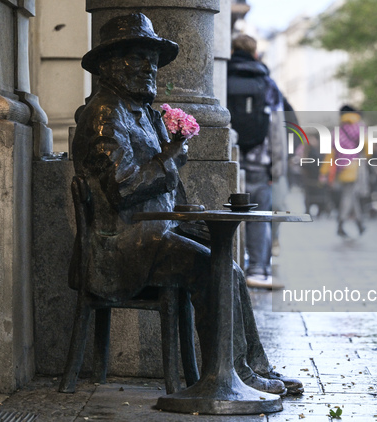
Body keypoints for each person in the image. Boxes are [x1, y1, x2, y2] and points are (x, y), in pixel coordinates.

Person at [72, 13, 302, 394]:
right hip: (119, 248)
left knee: (228, 263)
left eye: (152, 58)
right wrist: (170, 158)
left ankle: (248, 367)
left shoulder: (142, 112)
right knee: (216, 271)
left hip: (151, 233)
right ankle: (227, 377)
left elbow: (161, 186)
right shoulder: (104, 115)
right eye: (138, 57)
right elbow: (123, 188)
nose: (150, 66)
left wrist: (188, 213)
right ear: (111, 64)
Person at [227, 34, 287, 289]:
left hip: (231, 156)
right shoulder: (268, 84)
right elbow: (276, 127)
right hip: (260, 162)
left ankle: (225, 265)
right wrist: (278, 165)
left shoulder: (223, 77)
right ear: (254, 53)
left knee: (223, 216)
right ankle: (258, 270)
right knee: (260, 215)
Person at [319, 105, 367, 237]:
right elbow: (368, 147)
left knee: (351, 194)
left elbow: (330, 153)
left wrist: (324, 172)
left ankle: (359, 223)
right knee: (348, 195)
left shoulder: (337, 130)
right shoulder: (360, 127)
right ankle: (341, 223)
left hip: (341, 167)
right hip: (354, 166)